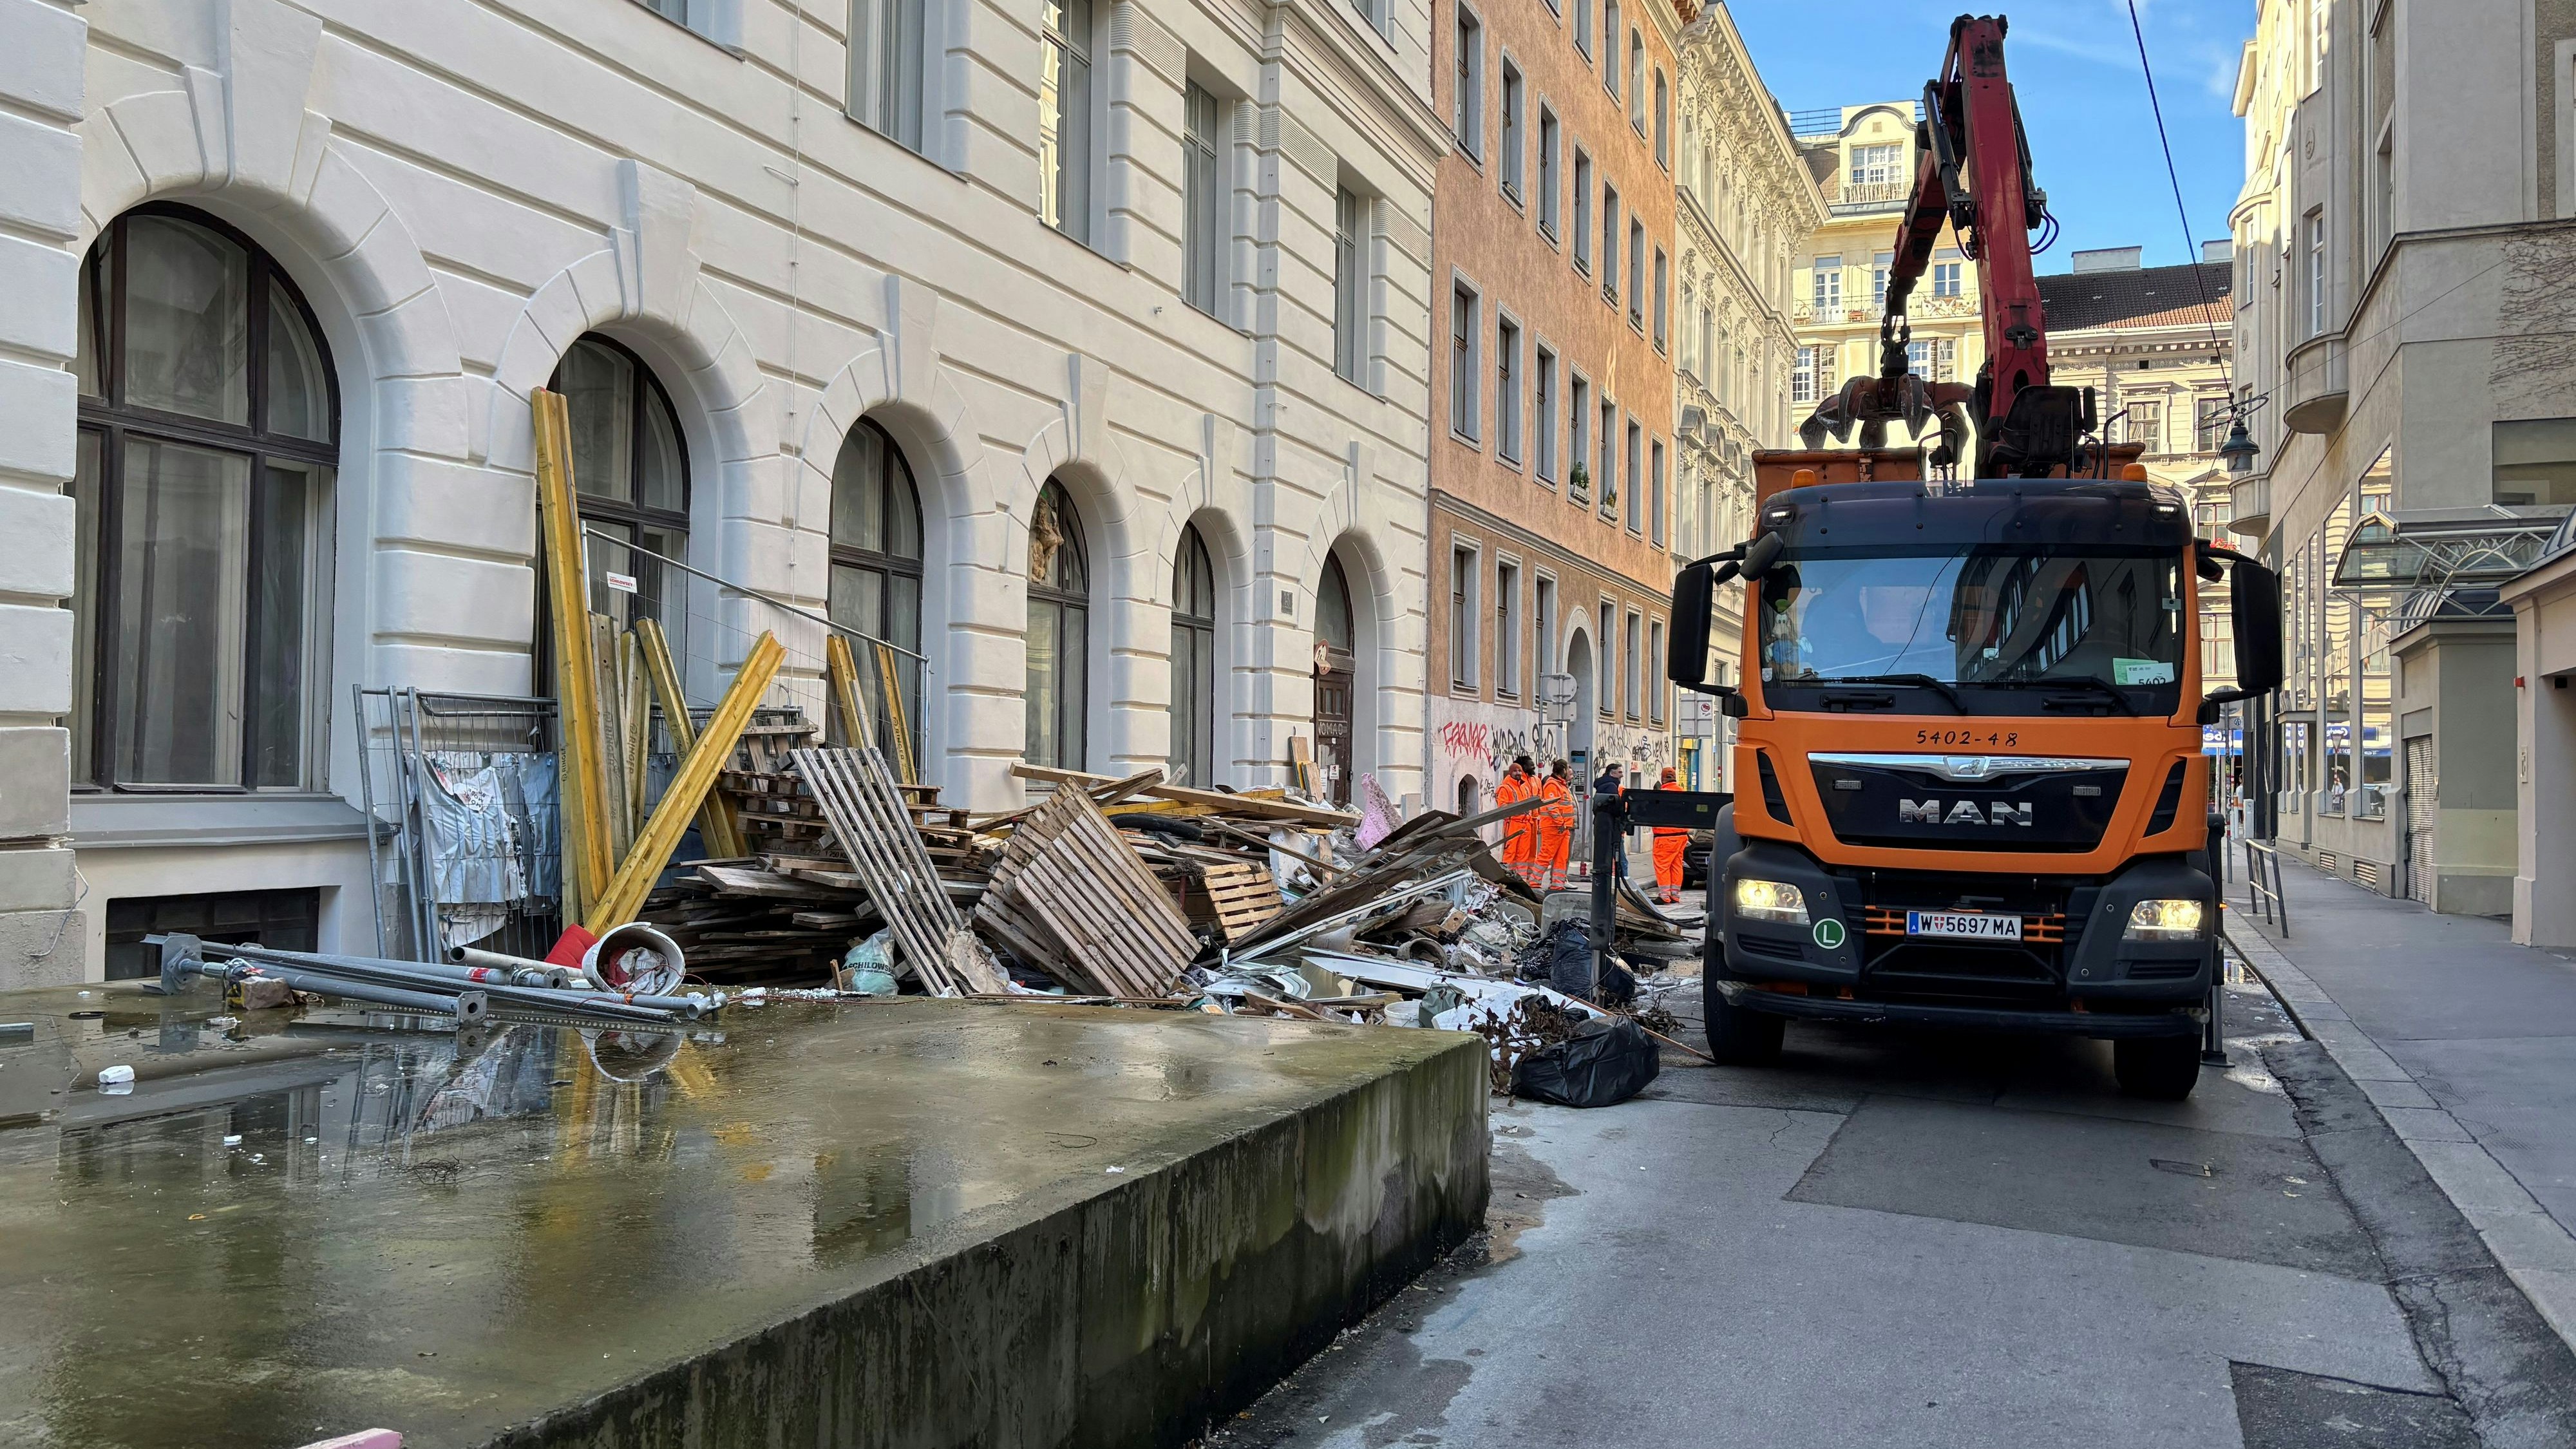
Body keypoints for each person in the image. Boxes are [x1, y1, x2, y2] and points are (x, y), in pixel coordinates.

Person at [1493, 757, 1537, 885]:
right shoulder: (1505, 788)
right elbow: (1503, 807)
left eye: (1520, 771)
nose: (1518, 773)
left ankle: (1521, 881)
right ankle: (1507, 879)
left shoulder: (1524, 787)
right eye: (1515, 771)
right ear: (1510, 773)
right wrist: (1518, 811)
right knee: (1510, 853)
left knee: (1523, 855)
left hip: (1525, 824)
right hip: (1513, 824)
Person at [1535, 760, 1577, 890]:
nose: (1570, 772)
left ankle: (1557, 885)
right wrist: (1561, 823)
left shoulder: (1561, 785)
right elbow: (1551, 806)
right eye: (1568, 769)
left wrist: (1564, 825)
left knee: (1562, 858)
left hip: (1563, 828)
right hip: (1554, 827)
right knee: (1546, 855)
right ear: (1563, 770)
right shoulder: (1552, 785)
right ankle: (1534, 882)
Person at [1651, 766, 1689, 904]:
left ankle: (1664, 896)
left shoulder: (1662, 794)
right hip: (1681, 836)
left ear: (1663, 778)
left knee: (1662, 866)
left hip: (1665, 836)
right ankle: (1675, 895)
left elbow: (1653, 813)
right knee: (1677, 865)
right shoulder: (1682, 792)